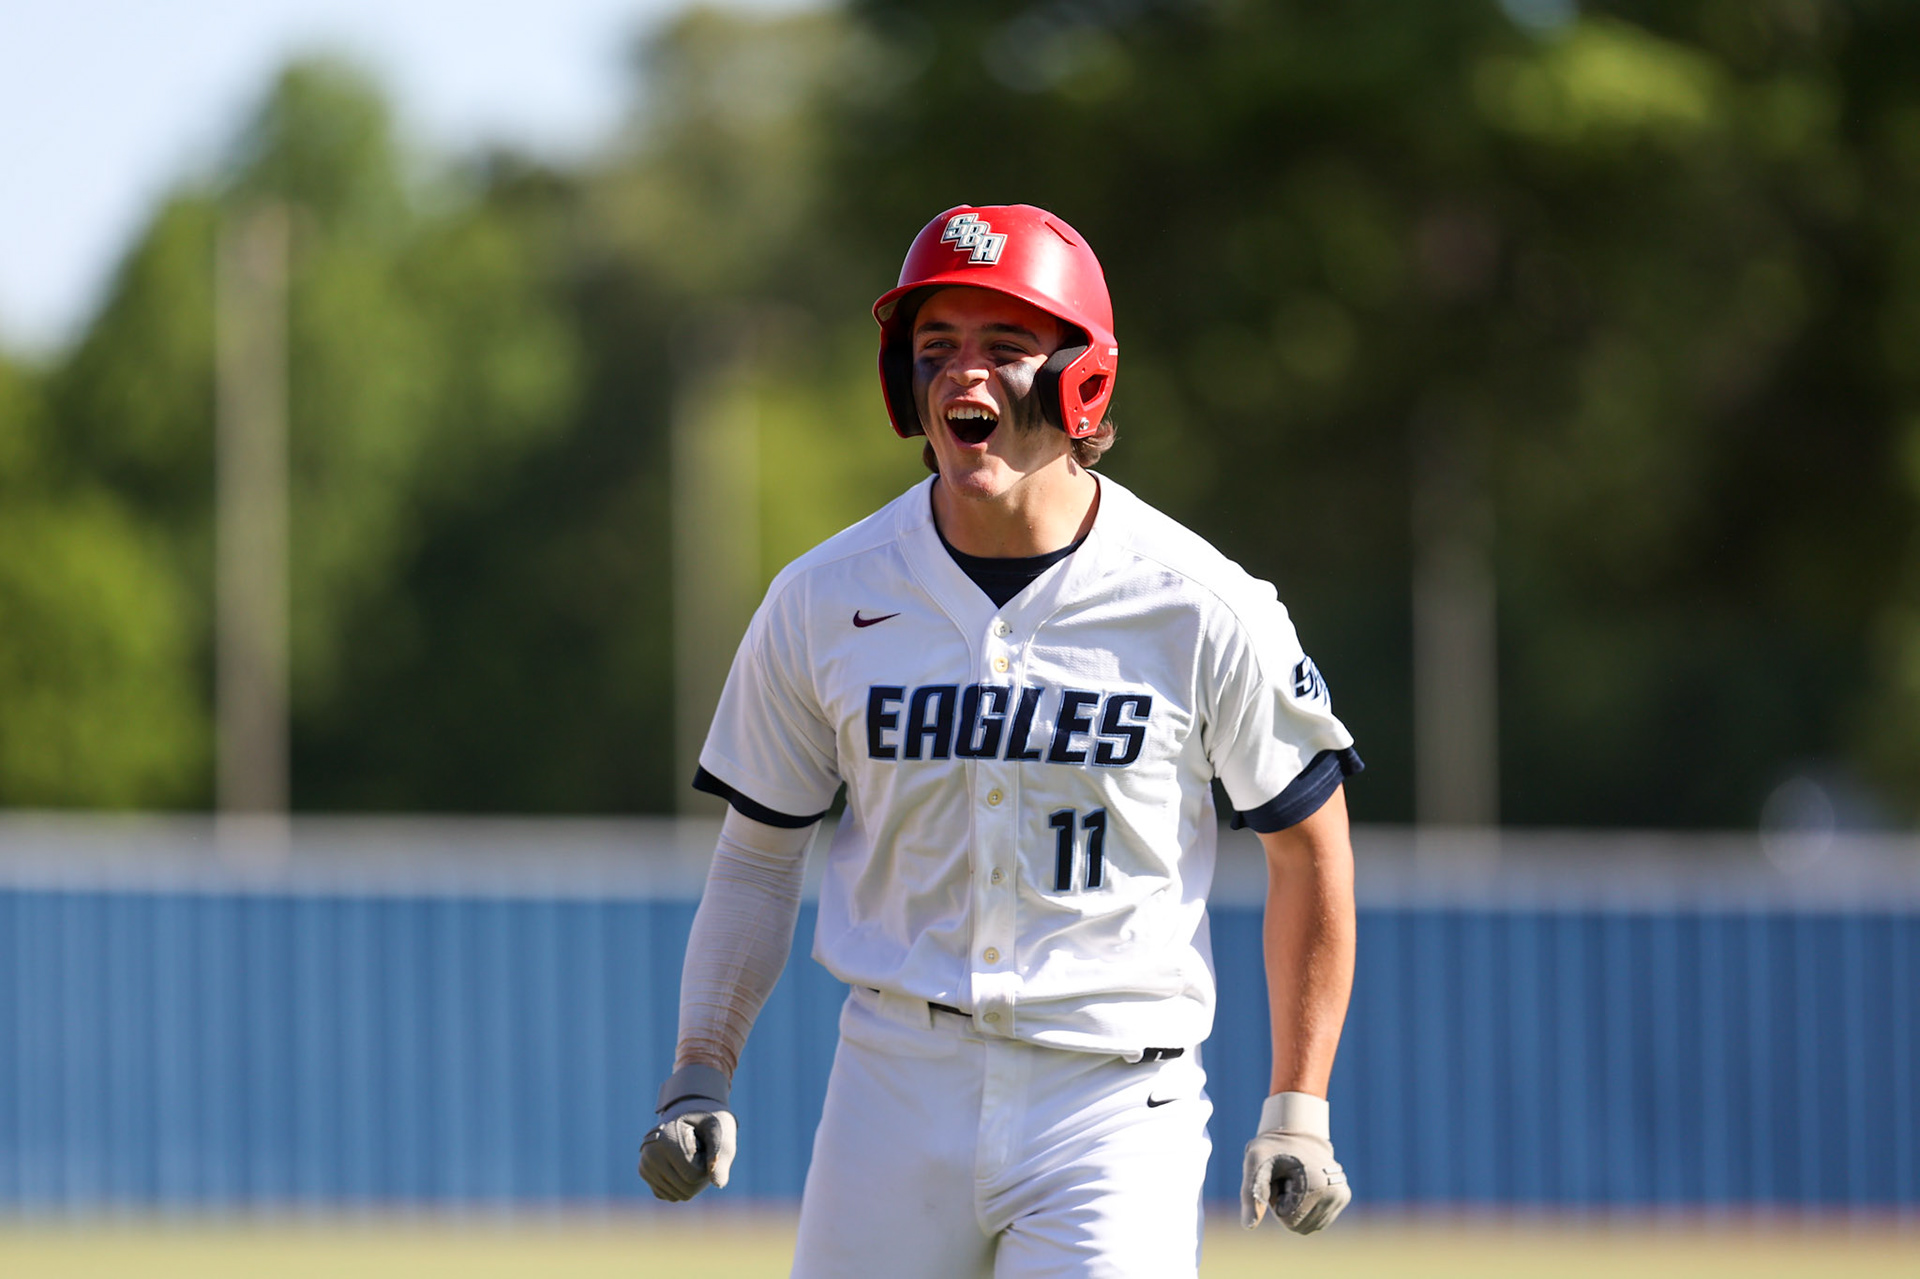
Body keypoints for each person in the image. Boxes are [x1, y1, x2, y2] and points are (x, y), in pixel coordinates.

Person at [639, 203, 1361, 1277]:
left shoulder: (1201, 603)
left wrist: (1299, 1102)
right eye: (935, 346)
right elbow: (756, 858)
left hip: (1114, 1098)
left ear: (1084, 382)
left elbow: (1309, 852)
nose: (961, 375)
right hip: (893, 1080)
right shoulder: (822, 597)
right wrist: (702, 1063)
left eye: (1006, 345)